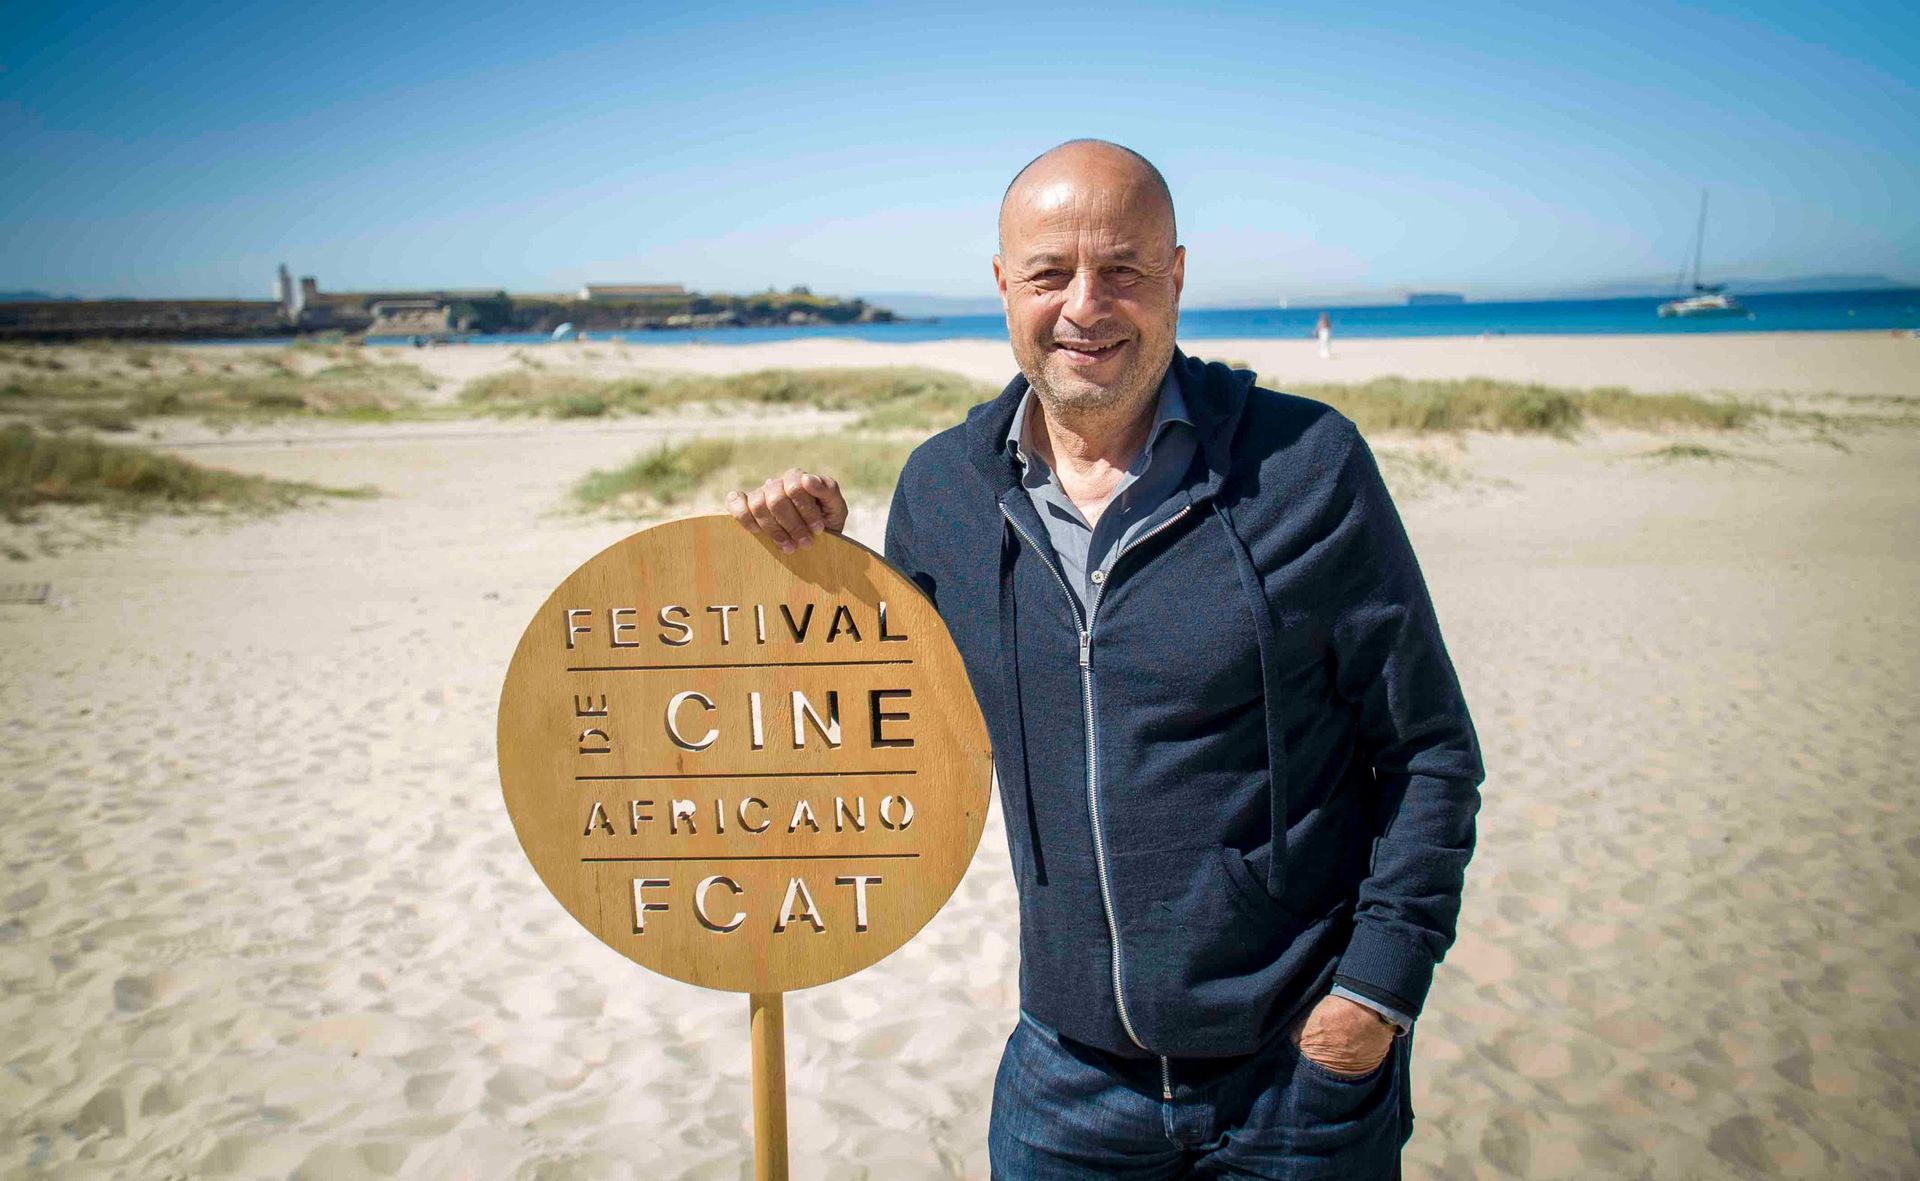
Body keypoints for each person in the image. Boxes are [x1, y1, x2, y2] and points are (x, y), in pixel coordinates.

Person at [726, 139, 1484, 1179]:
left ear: (1176, 274)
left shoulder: (1308, 465)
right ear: (1004, 284)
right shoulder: (944, 492)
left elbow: (1429, 750)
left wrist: (1377, 992)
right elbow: (876, 735)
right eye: (1050, 272)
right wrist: (814, 569)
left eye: (1123, 268)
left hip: (1297, 1077)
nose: (1085, 304)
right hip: (1067, 1077)